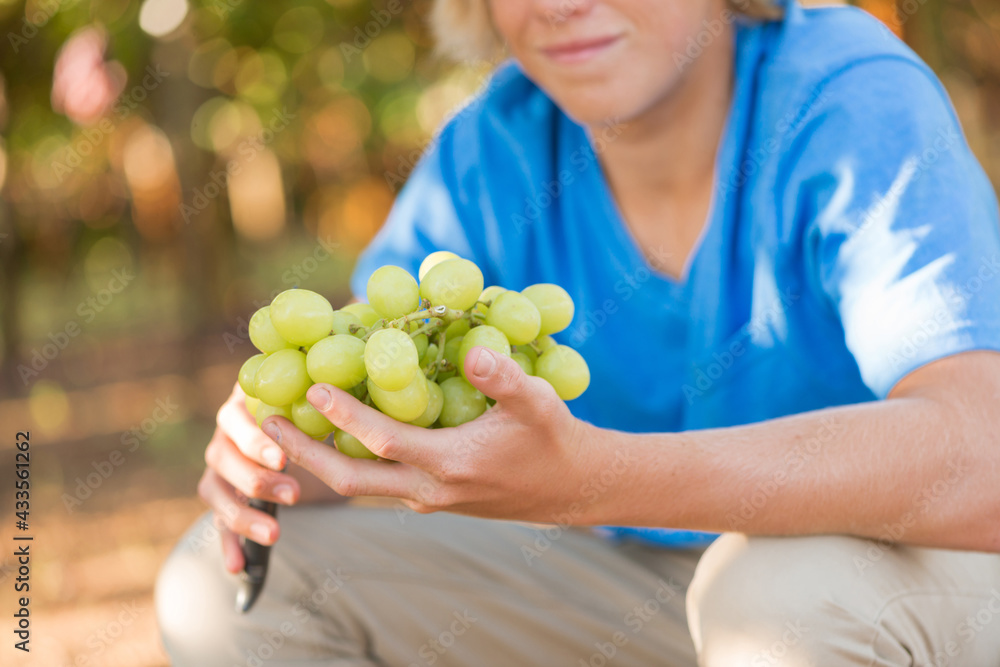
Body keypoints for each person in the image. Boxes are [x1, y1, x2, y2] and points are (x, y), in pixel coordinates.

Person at [156, 0, 1000, 664]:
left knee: (773, 597)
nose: (560, 3)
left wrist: (593, 479)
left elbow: (984, 459)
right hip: (643, 591)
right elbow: (391, 395)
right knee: (224, 583)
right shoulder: (494, 146)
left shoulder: (848, 94)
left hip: (900, 583)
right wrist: (305, 440)